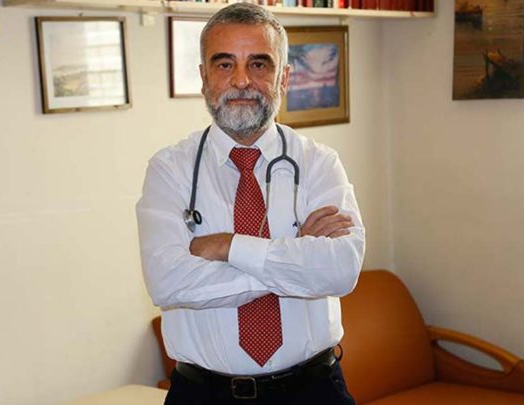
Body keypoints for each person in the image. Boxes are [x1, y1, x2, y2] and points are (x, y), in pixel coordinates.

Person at [136, 3, 365, 404]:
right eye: (225, 64)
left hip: (313, 391)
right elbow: (168, 282)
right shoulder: (170, 170)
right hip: (203, 395)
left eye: (259, 64)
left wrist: (228, 247)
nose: (242, 80)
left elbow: (341, 270)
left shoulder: (318, 163)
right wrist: (295, 262)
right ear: (204, 78)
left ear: (284, 78)